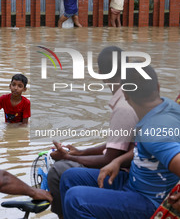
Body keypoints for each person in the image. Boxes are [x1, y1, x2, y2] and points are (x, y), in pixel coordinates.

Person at [57, 65, 180, 219]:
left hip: (148, 200)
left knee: (76, 199)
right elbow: (148, 151)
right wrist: (118, 161)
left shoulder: (154, 131)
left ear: (126, 95)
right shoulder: (165, 106)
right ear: (158, 87)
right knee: (70, 177)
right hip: (134, 181)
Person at [47, 46, 138, 218]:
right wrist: (82, 151)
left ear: (102, 73)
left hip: (125, 175)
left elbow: (110, 158)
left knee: (58, 171)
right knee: (67, 172)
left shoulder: (123, 107)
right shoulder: (130, 96)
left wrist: (68, 157)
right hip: (127, 167)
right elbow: (119, 144)